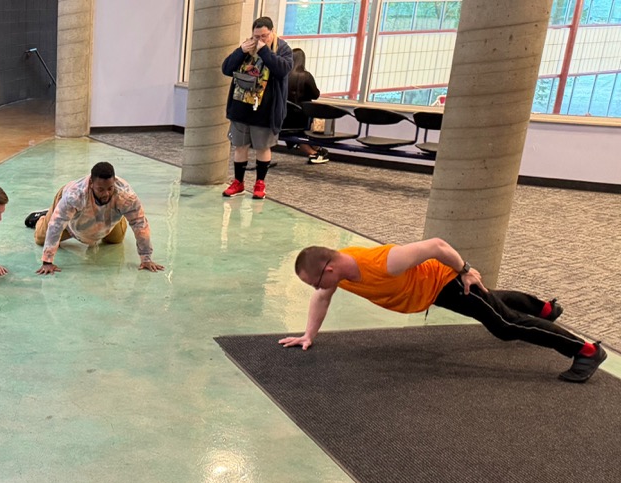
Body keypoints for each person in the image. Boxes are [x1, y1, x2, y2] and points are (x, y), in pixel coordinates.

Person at [283, 239, 608, 383]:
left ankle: (586, 351)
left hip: (449, 282)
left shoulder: (383, 262)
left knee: (505, 325)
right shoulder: (338, 274)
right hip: (434, 292)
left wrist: (465, 269)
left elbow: (436, 245)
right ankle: (545, 309)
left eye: (315, 282)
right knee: (492, 302)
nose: (317, 288)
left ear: (328, 269)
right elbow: (321, 299)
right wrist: (309, 335)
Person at [32, 161, 163, 275]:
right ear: (91, 183)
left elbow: (140, 224)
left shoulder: (126, 196)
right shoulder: (74, 195)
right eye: (100, 189)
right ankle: (44, 216)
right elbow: (57, 224)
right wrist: (47, 261)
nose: (106, 194)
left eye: (110, 188)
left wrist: (146, 258)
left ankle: (116, 214)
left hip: (105, 217)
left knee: (116, 240)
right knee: (41, 238)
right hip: (71, 220)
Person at [221, 16, 294, 199]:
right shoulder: (247, 47)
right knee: (240, 146)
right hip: (241, 106)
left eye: (264, 36)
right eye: (256, 36)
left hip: (265, 110)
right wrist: (240, 51)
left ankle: (260, 183)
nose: (260, 40)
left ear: (272, 32)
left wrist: (264, 51)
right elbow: (226, 69)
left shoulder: (283, 49)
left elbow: (282, 70)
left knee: (263, 147)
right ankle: (238, 182)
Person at [286, 48, 328, 164]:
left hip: (283, 117)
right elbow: (315, 95)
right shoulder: (306, 76)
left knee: (296, 134)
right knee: (306, 132)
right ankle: (315, 152)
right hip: (301, 117)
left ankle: (316, 151)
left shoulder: (283, 75)